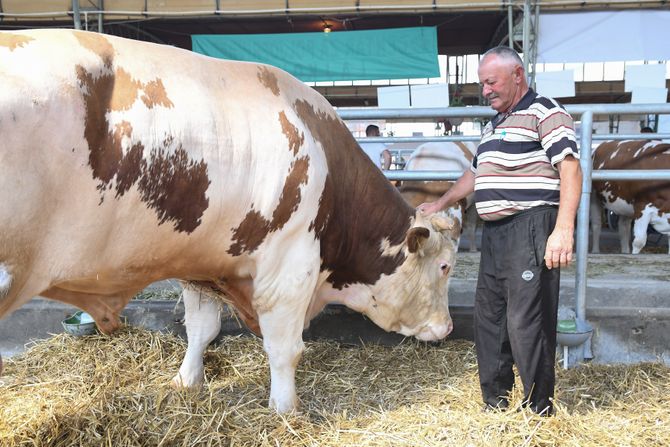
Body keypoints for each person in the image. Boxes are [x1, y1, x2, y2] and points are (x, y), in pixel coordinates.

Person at [419, 46, 582, 416]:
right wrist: (440, 203)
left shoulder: (546, 112)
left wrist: (563, 229)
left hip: (531, 226)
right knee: (489, 318)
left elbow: (571, 169)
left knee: (527, 321)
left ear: (517, 75)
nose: (486, 90)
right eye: (483, 83)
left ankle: (538, 409)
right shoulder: (494, 125)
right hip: (495, 234)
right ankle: (496, 402)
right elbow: (476, 175)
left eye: (491, 82)